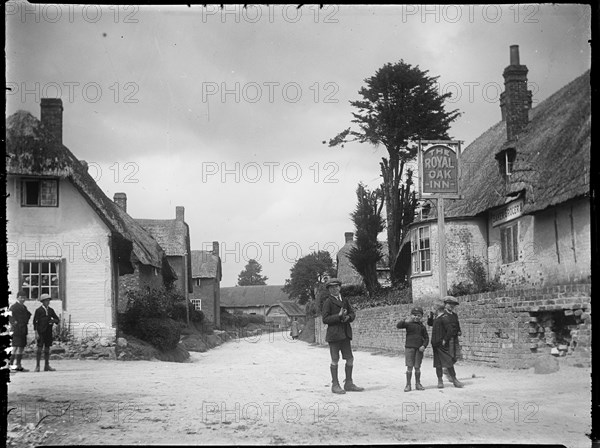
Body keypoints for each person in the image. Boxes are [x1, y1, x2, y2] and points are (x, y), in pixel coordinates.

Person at [322, 278, 364, 394]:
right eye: (331, 288)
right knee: (335, 359)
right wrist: (338, 316)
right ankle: (335, 385)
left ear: (340, 287)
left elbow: (352, 313)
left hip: (345, 334)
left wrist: (348, 317)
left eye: (336, 287)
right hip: (334, 335)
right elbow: (325, 319)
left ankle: (349, 383)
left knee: (350, 358)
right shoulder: (328, 302)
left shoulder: (345, 300)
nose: (334, 289)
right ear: (329, 290)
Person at [427, 303, 463, 388]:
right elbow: (430, 323)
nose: (432, 310)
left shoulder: (444, 318)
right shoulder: (437, 318)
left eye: (433, 309)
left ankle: (454, 380)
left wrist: (444, 340)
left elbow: (450, 330)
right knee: (438, 364)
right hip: (435, 344)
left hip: (441, 345)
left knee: (448, 361)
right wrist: (430, 316)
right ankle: (440, 381)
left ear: (437, 309)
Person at [396, 307, 429, 392]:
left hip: (419, 349)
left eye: (419, 315)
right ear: (411, 315)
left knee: (417, 367)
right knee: (409, 367)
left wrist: (424, 346)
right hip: (409, 348)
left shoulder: (422, 327)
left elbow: (426, 338)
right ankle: (408, 385)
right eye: (414, 315)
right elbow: (399, 326)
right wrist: (404, 320)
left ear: (421, 316)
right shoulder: (408, 324)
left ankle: (418, 384)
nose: (416, 317)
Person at [33, 294, 60, 372]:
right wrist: (36, 333)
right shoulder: (38, 310)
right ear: (42, 302)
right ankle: (37, 366)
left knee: (47, 348)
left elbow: (57, 319)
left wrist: (53, 321)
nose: (47, 302)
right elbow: (35, 322)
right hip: (41, 332)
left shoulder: (51, 310)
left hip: (48, 332)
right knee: (39, 348)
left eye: (48, 300)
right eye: (46, 301)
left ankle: (46, 365)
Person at [443, 296, 464, 387]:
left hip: (455, 337)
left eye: (453, 305)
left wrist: (459, 330)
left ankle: (446, 369)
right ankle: (450, 375)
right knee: (450, 356)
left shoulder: (454, 315)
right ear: (445, 304)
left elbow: (457, 324)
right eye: (450, 304)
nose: (452, 306)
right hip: (448, 338)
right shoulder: (443, 315)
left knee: (456, 356)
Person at [9, 290, 32, 372]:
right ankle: (11, 366)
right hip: (16, 330)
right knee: (15, 347)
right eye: (21, 297)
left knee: (21, 347)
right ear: (17, 298)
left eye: (24, 297)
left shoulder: (24, 307)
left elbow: (29, 315)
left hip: (23, 329)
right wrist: (14, 323)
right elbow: (10, 316)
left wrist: (25, 321)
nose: (22, 299)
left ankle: (18, 365)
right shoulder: (14, 307)